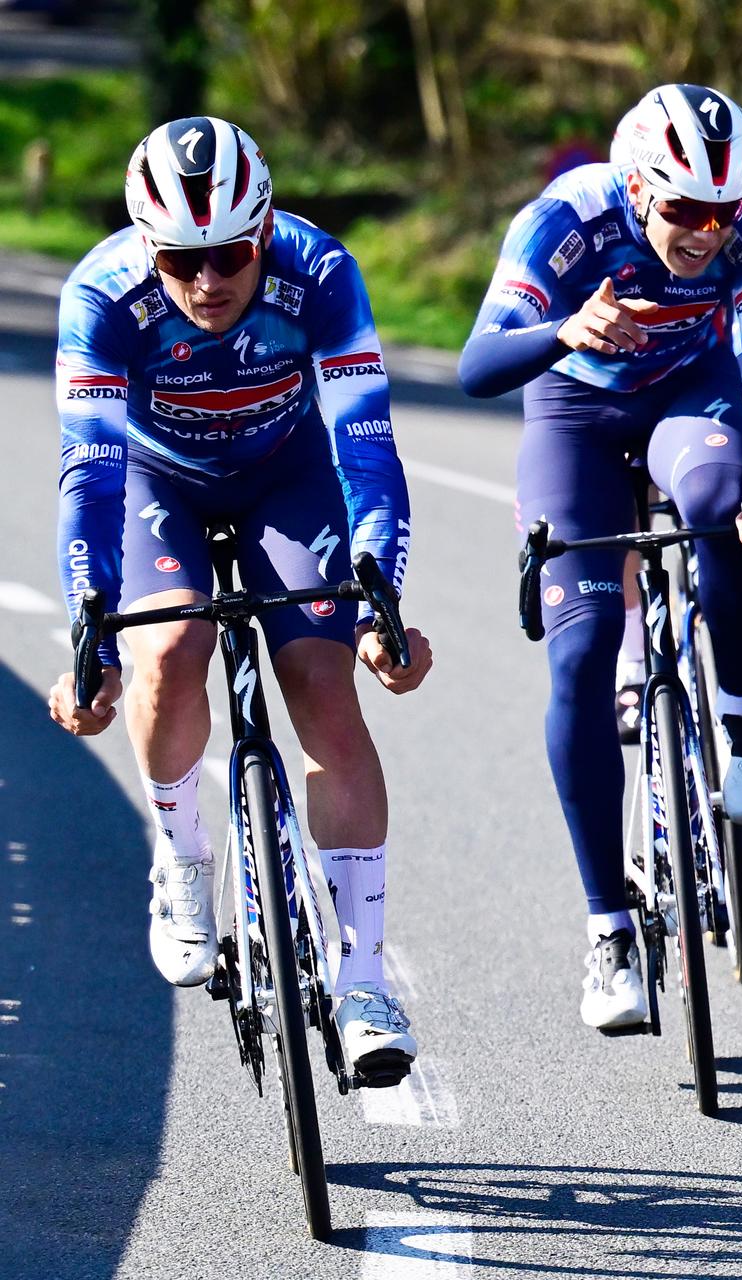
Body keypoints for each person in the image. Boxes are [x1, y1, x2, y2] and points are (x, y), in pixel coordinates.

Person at [47, 115, 431, 1081]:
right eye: (181, 260)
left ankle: (366, 982)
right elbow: (88, 476)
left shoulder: (323, 273)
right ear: (147, 245)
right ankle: (181, 860)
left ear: (263, 234)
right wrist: (91, 630)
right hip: (156, 480)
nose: (208, 282)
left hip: (286, 471)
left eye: (229, 255)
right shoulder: (102, 295)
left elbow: (366, 443)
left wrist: (380, 590)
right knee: (170, 650)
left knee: (323, 687)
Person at [457, 83, 742, 1032]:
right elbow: (476, 367)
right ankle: (609, 926)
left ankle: (736, 718)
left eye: (722, 210)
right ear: (637, 186)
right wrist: (562, 329)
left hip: (689, 392)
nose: (705, 232)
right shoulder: (564, 221)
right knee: (578, 651)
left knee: (721, 504)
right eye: (684, 209)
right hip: (573, 410)